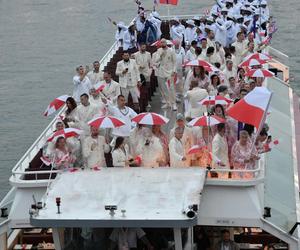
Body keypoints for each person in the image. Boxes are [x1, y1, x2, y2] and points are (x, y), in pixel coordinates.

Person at [154, 38, 177, 110]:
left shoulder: (171, 50)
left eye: (164, 42)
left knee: (171, 87)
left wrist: (174, 70)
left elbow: (175, 61)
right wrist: (160, 55)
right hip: (161, 71)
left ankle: (174, 103)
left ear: (166, 43)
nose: (163, 44)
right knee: (163, 88)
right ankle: (167, 102)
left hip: (170, 71)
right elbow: (156, 60)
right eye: (161, 43)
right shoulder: (159, 51)